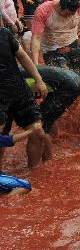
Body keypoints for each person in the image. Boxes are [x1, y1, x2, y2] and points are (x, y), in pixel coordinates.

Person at [0, 26, 48, 170]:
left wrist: (38, 79)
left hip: (19, 91)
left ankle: (34, 177)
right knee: (1, 140)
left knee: (38, 132)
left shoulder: (4, 33)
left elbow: (22, 56)